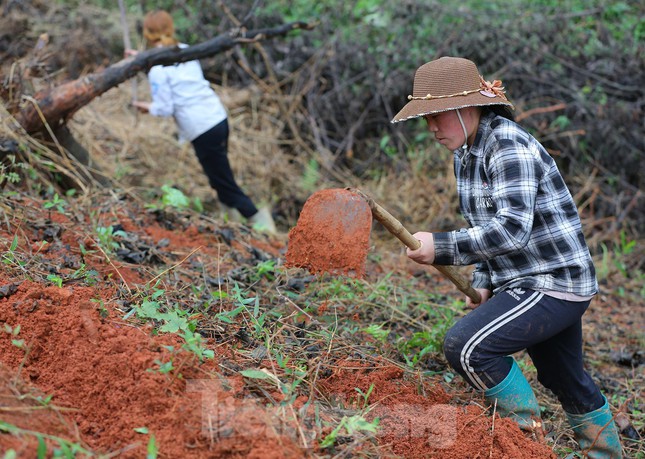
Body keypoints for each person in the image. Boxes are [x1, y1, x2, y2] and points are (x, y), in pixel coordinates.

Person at [392, 57, 622, 458]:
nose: (430, 128)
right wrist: (482, 279)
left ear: (467, 109)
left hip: (552, 280)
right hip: (523, 279)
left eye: (437, 116)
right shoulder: (465, 153)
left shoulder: (507, 144)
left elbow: (511, 230)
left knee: (466, 347)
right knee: (562, 376)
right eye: (426, 118)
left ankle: (524, 445)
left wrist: (441, 247)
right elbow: (486, 223)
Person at [128, 10, 276, 234]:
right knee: (219, 177)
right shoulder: (186, 50)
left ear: (147, 33)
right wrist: (141, 58)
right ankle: (233, 224)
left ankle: (263, 226)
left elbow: (165, 107)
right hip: (218, 118)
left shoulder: (157, 70)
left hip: (201, 129)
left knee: (224, 182)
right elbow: (170, 69)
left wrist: (146, 107)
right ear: (170, 28)